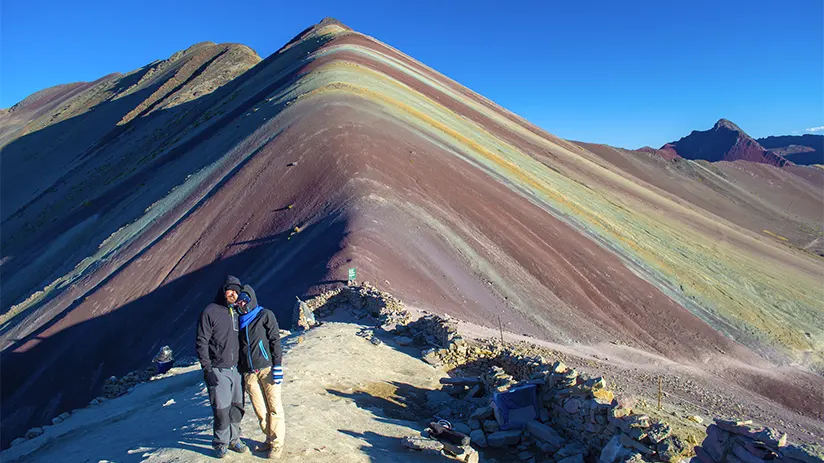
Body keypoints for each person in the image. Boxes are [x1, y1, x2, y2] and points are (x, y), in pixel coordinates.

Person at [196, 275, 249, 459]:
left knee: (237, 407)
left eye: (236, 291)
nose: (233, 294)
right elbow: (201, 342)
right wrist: (207, 369)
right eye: (230, 290)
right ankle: (220, 442)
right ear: (223, 290)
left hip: (236, 370)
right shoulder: (210, 311)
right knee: (221, 409)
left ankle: (235, 439)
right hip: (218, 369)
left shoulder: (236, 312)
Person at [236, 284, 285, 459]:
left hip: (267, 368)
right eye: (239, 301)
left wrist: (277, 365)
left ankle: (277, 444)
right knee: (259, 409)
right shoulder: (238, 321)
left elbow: (275, 341)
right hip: (249, 372)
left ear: (251, 299)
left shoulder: (265, 315)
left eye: (244, 300)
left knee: (274, 407)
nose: (241, 304)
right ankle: (269, 438)